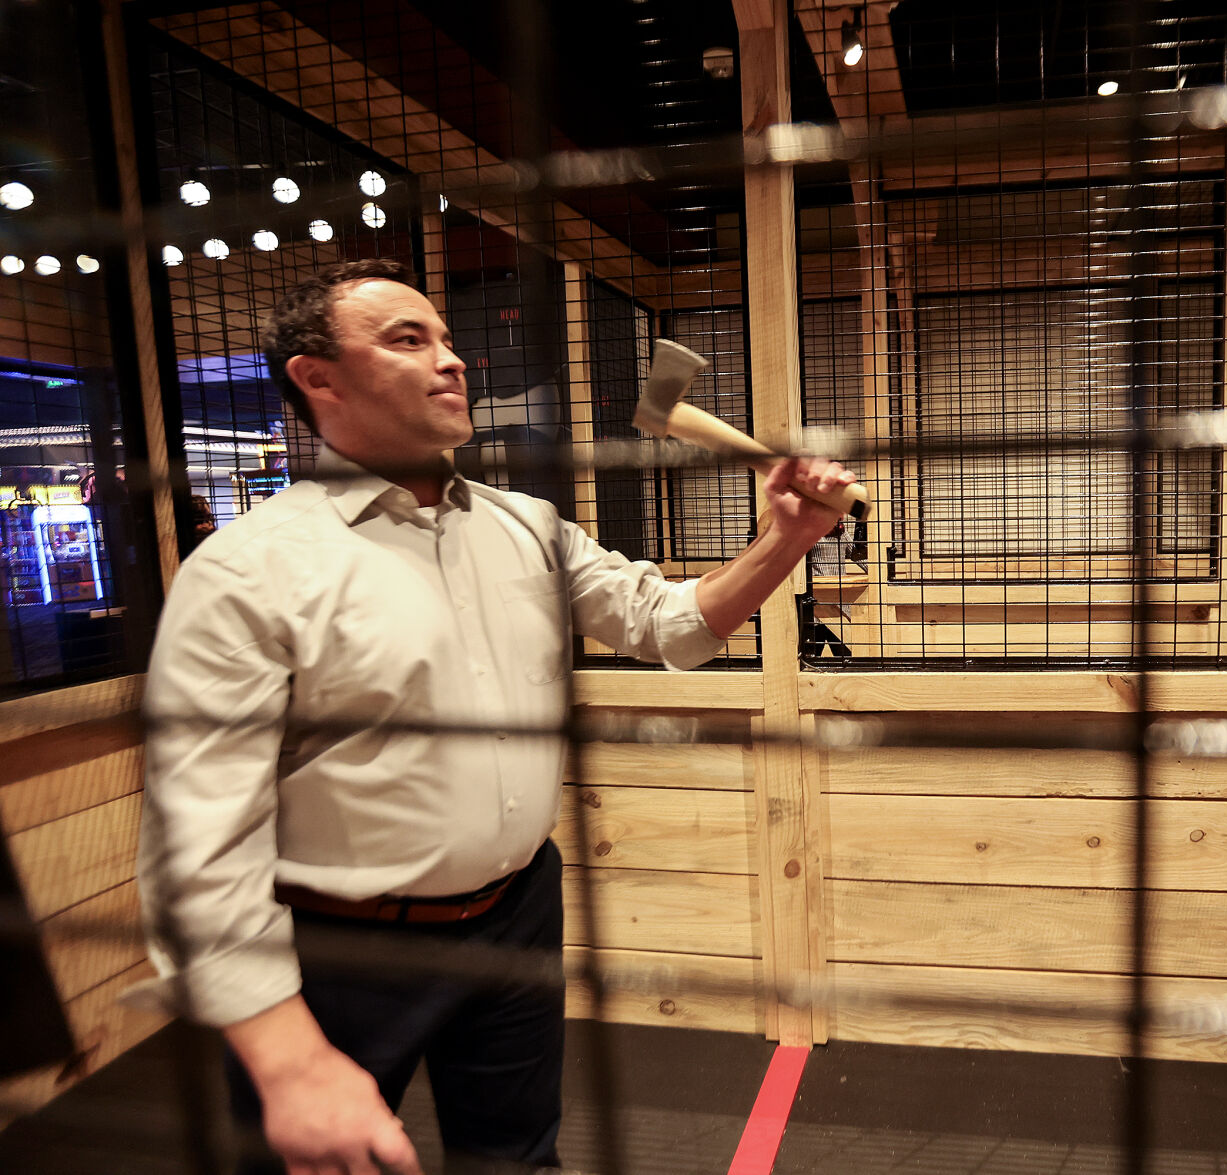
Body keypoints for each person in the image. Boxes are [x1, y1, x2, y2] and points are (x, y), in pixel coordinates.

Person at [135, 258, 854, 1175]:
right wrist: (288, 1060)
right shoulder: (251, 569)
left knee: (517, 1159)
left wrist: (786, 537)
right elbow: (195, 840)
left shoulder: (527, 526)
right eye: (407, 340)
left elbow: (666, 623)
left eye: (444, 338)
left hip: (515, 914)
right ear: (317, 379)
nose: (451, 360)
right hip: (339, 952)